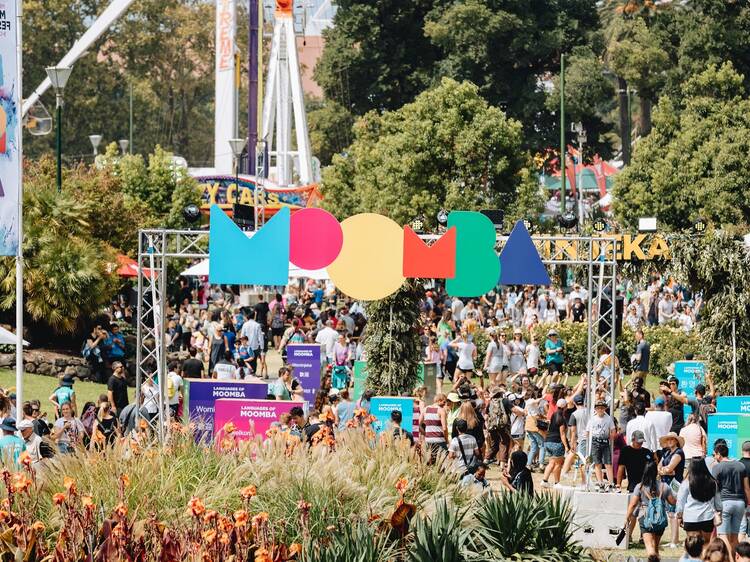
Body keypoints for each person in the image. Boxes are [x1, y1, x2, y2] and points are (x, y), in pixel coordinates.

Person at [623, 461, 677, 560]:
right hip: (660, 520)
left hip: (645, 519)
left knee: (650, 549)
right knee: (656, 549)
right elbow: (673, 502)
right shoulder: (664, 486)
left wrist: (627, 518)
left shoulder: (640, 487)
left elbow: (633, 504)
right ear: (656, 472)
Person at [712, 442, 750, 557]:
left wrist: (714, 507)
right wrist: (748, 503)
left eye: (714, 454)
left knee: (723, 536)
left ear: (719, 454)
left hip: (725, 503)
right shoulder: (740, 465)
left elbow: (714, 488)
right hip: (740, 503)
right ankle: (738, 558)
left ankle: (731, 560)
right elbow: (747, 488)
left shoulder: (717, 467)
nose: (714, 457)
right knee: (735, 537)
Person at [618, 430, 655, 543]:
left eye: (641, 442)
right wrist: (618, 484)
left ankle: (643, 537)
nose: (640, 444)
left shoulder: (647, 452)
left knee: (646, 513)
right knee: (633, 512)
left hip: (647, 486)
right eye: (638, 442)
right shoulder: (626, 451)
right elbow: (621, 468)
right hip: (633, 485)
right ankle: (628, 536)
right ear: (632, 439)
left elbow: (653, 467)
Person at [676, 457, 722, 546]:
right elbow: (718, 502)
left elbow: (680, 501)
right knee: (706, 544)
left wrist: (679, 514)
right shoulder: (713, 482)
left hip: (690, 518)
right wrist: (719, 511)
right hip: (707, 517)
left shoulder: (687, 483)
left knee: (693, 546)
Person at [659, 432, 687, 549]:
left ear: (676, 441)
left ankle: (674, 541)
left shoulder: (678, 452)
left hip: (674, 484)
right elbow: (659, 467)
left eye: (672, 439)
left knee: (673, 513)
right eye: (668, 439)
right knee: (670, 513)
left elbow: (670, 468)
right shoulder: (666, 452)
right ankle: (673, 540)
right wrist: (665, 470)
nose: (670, 441)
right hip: (666, 483)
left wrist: (666, 470)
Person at [586, 400, 617, 490]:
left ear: (605, 409)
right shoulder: (593, 419)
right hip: (595, 442)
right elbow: (588, 431)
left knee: (608, 463)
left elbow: (613, 430)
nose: (600, 409)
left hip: (605, 442)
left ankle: (611, 483)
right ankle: (600, 483)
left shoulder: (608, 418)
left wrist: (611, 437)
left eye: (602, 408)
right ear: (596, 409)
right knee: (597, 463)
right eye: (598, 408)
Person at [542, 399, 570, 487]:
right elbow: (562, 434)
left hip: (548, 441)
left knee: (551, 463)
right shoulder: (561, 418)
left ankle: (544, 481)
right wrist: (566, 446)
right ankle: (557, 482)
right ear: (565, 407)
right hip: (556, 443)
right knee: (558, 464)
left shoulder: (553, 414)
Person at [484, 387, 512, 469]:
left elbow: (486, 416)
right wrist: (523, 412)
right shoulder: (505, 401)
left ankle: (486, 460)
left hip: (492, 427)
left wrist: (487, 426)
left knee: (494, 445)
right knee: (504, 443)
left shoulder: (490, 403)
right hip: (503, 426)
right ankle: (502, 465)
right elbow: (514, 410)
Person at [421, 394, 449, 462]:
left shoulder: (425, 409)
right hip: (439, 440)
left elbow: (418, 424)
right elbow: (444, 428)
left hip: (428, 440)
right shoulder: (441, 411)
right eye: (444, 402)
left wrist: (425, 434)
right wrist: (446, 440)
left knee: (430, 462)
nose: (445, 404)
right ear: (439, 400)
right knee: (442, 462)